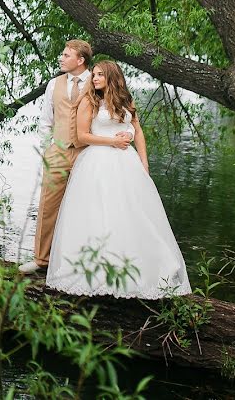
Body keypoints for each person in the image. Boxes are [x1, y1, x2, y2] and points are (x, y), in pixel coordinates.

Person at [44, 60, 191, 298]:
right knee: (100, 214)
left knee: (132, 213)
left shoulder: (126, 100)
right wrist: (113, 141)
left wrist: (144, 162)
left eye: (100, 74)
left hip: (127, 164)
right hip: (97, 163)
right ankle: (96, 272)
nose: (95, 78)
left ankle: (135, 269)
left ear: (112, 76)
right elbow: (82, 136)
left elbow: (137, 129)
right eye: (94, 75)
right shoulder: (89, 101)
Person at [19, 40, 132, 275]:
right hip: (58, 151)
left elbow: (119, 111)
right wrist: (46, 150)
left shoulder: (98, 79)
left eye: (66, 54)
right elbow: (45, 121)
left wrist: (127, 133)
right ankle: (42, 260)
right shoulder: (54, 84)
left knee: (84, 208)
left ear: (80, 60)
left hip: (88, 152)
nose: (61, 58)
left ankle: (78, 262)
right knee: (48, 205)